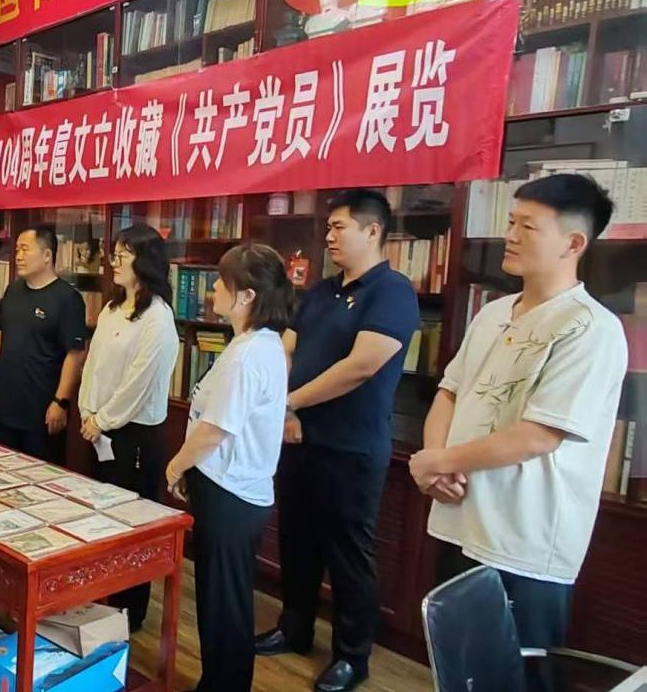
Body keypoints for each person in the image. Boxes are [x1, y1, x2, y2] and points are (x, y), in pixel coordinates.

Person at [411, 174, 627, 654]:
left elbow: (540, 435)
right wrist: (434, 461)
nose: (509, 236)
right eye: (510, 222)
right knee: (455, 666)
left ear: (573, 243)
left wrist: (438, 462)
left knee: (516, 674)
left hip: (522, 541)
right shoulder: (493, 312)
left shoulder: (591, 328)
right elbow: (449, 392)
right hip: (458, 517)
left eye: (527, 227)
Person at [255, 189, 419, 692]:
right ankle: (295, 628)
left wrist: (291, 403)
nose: (328, 236)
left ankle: (352, 655)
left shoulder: (392, 291)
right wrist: (285, 405)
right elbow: (287, 347)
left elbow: (361, 365)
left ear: (373, 231)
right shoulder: (322, 291)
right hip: (299, 438)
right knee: (297, 540)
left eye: (339, 227)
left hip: (351, 448)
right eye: (328, 227)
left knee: (348, 553)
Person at [166, 243, 294, 692]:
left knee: (223, 604)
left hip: (230, 492)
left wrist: (175, 467)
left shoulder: (248, 354)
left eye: (222, 283)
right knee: (224, 600)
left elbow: (215, 430)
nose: (213, 291)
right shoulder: (258, 344)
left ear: (247, 296)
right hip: (233, 487)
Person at [78, 224, 179, 632]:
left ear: (146, 261)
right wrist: (87, 411)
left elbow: (138, 384)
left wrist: (102, 419)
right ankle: (101, 597)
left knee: (131, 525)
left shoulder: (158, 318)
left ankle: (129, 610)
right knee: (101, 518)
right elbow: (93, 365)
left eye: (123, 254)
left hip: (133, 433)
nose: (114, 262)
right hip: (98, 428)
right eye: (114, 253)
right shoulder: (112, 307)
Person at [0, 226, 87, 464]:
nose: (18, 256)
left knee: (40, 475)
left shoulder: (67, 299)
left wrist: (60, 401)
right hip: (5, 405)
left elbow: (75, 354)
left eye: (25, 249)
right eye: (17, 249)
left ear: (47, 255)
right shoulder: (13, 290)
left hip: (41, 410)